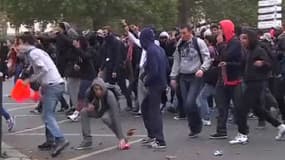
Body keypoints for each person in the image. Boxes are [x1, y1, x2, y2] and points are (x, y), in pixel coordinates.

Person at [17, 32, 69, 157]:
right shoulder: (35, 52)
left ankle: (60, 139)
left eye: (18, 43)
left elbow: (43, 69)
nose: (17, 46)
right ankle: (50, 140)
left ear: (26, 43)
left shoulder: (34, 53)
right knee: (47, 113)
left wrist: (31, 80)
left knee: (47, 115)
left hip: (53, 85)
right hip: (52, 85)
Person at [230, 29, 285, 144]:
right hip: (250, 81)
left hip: (256, 82)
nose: (242, 41)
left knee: (241, 108)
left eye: (245, 38)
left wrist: (262, 63)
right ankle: (280, 126)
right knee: (257, 110)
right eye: (241, 38)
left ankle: (243, 134)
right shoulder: (249, 51)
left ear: (251, 38)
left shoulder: (258, 50)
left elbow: (269, 64)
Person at [170, 24, 211, 138]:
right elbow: (176, 61)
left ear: (190, 32)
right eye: (181, 33)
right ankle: (193, 128)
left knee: (190, 102)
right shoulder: (180, 44)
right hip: (183, 75)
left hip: (195, 75)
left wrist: (202, 69)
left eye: (184, 33)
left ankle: (197, 125)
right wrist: (173, 77)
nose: (182, 36)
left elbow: (207, 57)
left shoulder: (199, 42)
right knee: (186, 104)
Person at [210, 20, 243, 139]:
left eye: (221, 28)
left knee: (237, 105)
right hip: (223, 77)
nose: (219, 30)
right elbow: (219, 58)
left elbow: (226, 56)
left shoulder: (234, 42)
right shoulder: (227, 42)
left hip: (233, 78)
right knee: (221, 105)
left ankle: (242, 131)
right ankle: (221, 130)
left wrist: (219, 45)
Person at [76, 78, 130, 150]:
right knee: (83, 112)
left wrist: (121, 137)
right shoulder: (89, 92)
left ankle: (122, 138)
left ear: (103, 88)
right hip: (97, 109)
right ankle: (87, 140)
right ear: (93, 88)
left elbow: (115, 116)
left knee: (105, 118)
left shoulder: (109, 95)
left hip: (109, 110)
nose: (98, 91)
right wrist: (88, 105)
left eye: (100, 89)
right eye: (96, 89)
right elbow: (85, 102)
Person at [139, 27, 169, 149]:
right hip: (161, 82)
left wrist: (146, 80)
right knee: (145, 107)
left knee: (154, 112)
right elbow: (167, 67)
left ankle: (160, 140)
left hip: (154, 84)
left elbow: (154, 70)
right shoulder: (160, 49)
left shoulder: (151, 51)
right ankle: (152, 135)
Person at [68, 36, 97, 121]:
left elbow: (85, 57)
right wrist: (77, 65)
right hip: (84, 75)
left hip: (89, 75)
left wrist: (77, 48)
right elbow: (79, 60)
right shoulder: (78, 51)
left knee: (81, 94)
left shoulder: (88, 50)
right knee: (88, 95)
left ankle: (77, 113)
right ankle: (88, 110)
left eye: (77, 42)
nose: (76, 44)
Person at [196, 34, 219, 126]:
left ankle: (206, 117)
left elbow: (208, 62)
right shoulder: (215, 49)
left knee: (202, 97)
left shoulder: (209, 50)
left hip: (211, 76)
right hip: (214, 77)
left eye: (205, 40)